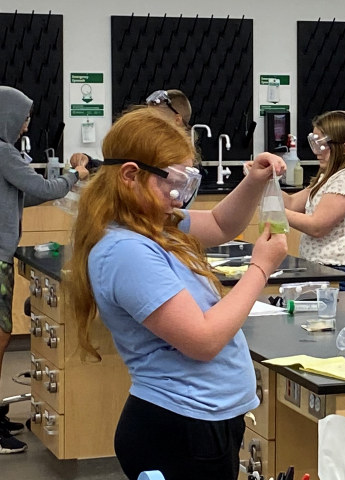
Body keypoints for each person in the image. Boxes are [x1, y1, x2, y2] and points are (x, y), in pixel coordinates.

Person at [65, 107, 287, 479]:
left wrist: (254, 181)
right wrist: (261, 267)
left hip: (198, 418)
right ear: (130, 175)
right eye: (173, 182)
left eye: (187, 182)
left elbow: (220, 223)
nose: (180, 196)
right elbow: (202, 340)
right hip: (181, 427)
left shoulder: (152, 221)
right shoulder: (126, 249)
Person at [0, 86, 89, 455]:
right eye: (23, 118)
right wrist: (75, 176)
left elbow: (27, 192)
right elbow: (40, 185)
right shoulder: (2, 150)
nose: (26, 126)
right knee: (0, 337)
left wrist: (65, 180)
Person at [282, 111, 345, 291]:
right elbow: (291, 204)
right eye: (314, 143)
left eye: (322, 145)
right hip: (321, 271)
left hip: (339, 273)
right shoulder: (329, 176)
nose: (317, 152)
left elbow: (317, 227)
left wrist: (274, 213)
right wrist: (263, 181)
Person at [70, 89, 193, 172]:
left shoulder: (183, 162)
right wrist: (89, 163)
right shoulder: (148, 146)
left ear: (177, 120)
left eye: (156, 120)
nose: (149, 125)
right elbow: (117, 168)